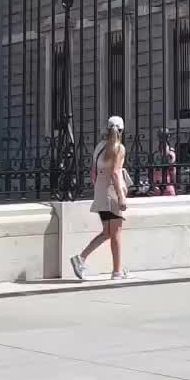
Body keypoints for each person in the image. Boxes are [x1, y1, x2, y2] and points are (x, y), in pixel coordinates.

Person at [71, 116, 130, 282]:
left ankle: (80, 258)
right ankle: (117, 272)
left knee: (107, 232)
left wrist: (100, 190)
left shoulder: (99, 147)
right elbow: (117, 173)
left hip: (100, 192)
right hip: (112, 192)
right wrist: (121, 197)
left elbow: (93, 172)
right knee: (116, 233)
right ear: (122, 131)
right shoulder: (119, 148)